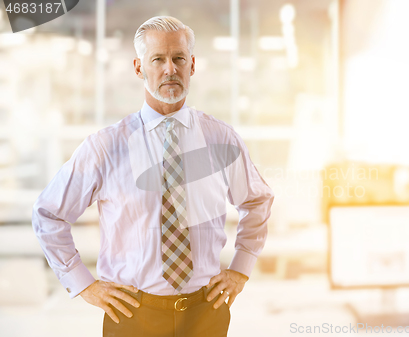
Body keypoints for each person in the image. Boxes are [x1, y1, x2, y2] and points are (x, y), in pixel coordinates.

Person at [32, 15, 274, 337]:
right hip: (132, 315)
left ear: (192, 66)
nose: (170, 69)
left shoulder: (221, 140)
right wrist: (83, 284)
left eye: (178, 58)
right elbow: (48, 215)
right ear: (138, 68)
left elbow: (257, 201)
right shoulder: (105, 147)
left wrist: (240, 270)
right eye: (157, 59)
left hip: (206, 314)